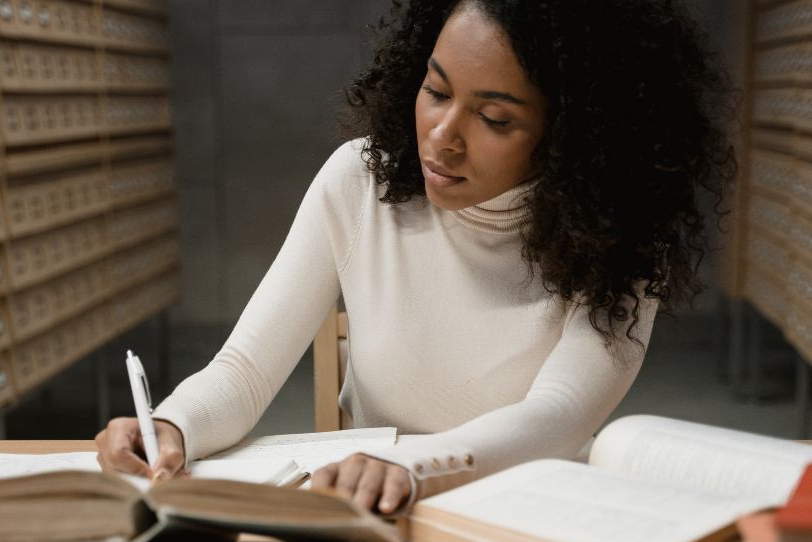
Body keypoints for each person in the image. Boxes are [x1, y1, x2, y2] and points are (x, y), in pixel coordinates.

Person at [96, 0, 735, 514]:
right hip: (379, 517)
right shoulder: (359, 183)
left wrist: (410, 466)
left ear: (572, 137)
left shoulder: (621, 240)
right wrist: (172, 427)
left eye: (493, 118)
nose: (442, 135)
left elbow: (558, 418)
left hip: (526, 517)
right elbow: (244, 371)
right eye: (436, 90)